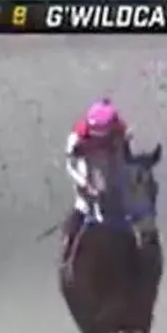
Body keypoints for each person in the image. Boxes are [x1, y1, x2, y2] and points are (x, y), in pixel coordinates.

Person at [60, 99, 132, 276]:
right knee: (74, 222)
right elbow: (70, 166)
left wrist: (116, 185)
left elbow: (123, 162)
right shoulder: (76, 138)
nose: (99, 140)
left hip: (113, 182)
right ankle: (66, 261)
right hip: (87, 183)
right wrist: (85, 186)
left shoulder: (120, 133)